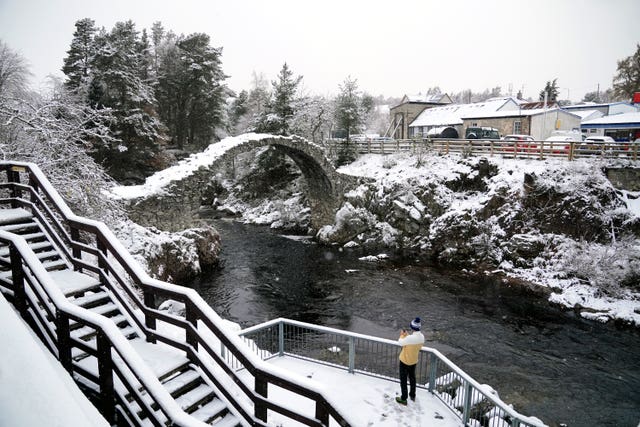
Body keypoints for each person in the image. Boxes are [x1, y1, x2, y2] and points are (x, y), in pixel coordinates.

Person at [396, 317, 425, 405]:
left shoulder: (410, 338)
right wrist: (407, 336)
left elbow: (400, 342)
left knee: (403, 380)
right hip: (413, 361)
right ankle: (412, 395)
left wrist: (402, 335)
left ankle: (404, 398)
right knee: (412, 378)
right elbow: (415, 344)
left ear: (412, 327)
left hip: (404, 361)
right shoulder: (422, 337)